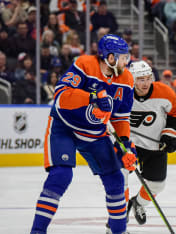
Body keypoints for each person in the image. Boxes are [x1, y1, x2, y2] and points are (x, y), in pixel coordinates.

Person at [30, 34, 137, 234]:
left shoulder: (127, 80)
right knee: (60, 176)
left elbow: (121, 118)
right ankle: (37, 231)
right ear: (111, 58)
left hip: (95, 134)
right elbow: (60, 96)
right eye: (123, 57)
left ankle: (118, 231)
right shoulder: (85, 64)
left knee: (116, 181)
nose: (127, 61)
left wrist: (125, 145)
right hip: (65, 127)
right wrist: (93, 97)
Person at [126, 60, 176, 226]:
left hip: (155, 145)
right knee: (119, 179)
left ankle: (138, 203)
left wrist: (169, 134)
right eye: (140, 79)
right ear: (132, 80)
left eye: (148, 78)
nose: (145, 83)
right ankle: (117, 219)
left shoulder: (164, 91)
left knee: (157, 185)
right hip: (129, 146)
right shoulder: (124, 92)